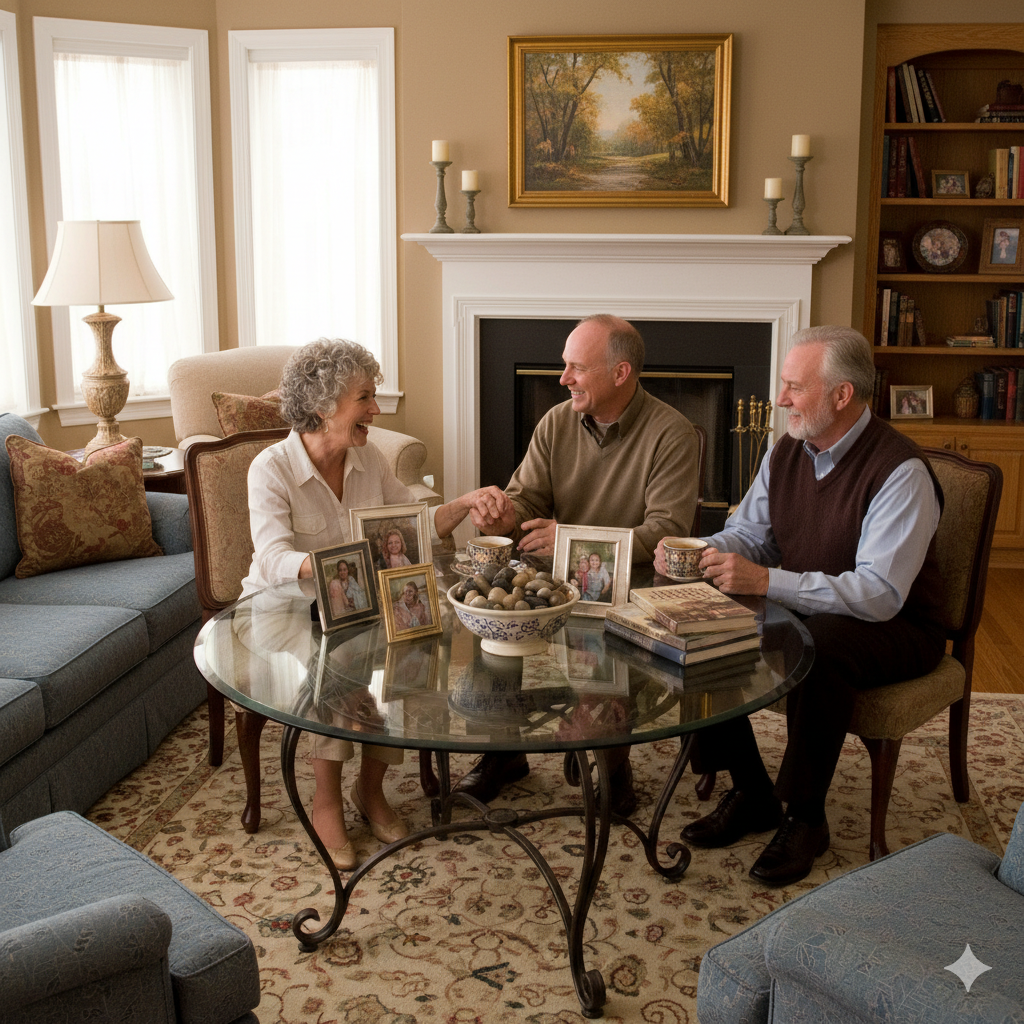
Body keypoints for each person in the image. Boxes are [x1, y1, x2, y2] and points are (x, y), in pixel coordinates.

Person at [654, 325, 945, 887]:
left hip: (899, 626)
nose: (780, 399)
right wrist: (701, 552)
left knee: (823, 649)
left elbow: (879, 594)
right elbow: (751, 533)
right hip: (815, 604)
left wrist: (766, 582)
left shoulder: (899, 471)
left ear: (842, 395)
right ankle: (751, 790)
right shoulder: (787, 449)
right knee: (697, 617)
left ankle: (806, 818)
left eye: (793, 386)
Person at [241, 338, 509, 869]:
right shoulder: (269, 469)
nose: (376, 409)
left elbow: (410, 526)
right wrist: (343, 572)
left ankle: (370, 788)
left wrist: (462, 503)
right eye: (364, 397)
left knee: (421, 647)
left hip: (358, 608)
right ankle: (324, 801)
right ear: (323, 405)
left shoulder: (368, 458)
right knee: (335, 663)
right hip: (284, 609)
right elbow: (272, 559)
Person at [444, 313, 700, 812]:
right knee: (493, 617)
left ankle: (614, 768)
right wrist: (504, 511)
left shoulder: (672, 432)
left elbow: (666, 534)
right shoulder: (558, 420)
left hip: (633, 586)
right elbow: (527, 503)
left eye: (576, 368)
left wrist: (569, 538)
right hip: (559, 581)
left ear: (620, 373)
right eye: (565, 366)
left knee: (607, 651)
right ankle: (502, 753)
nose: (563, 379)